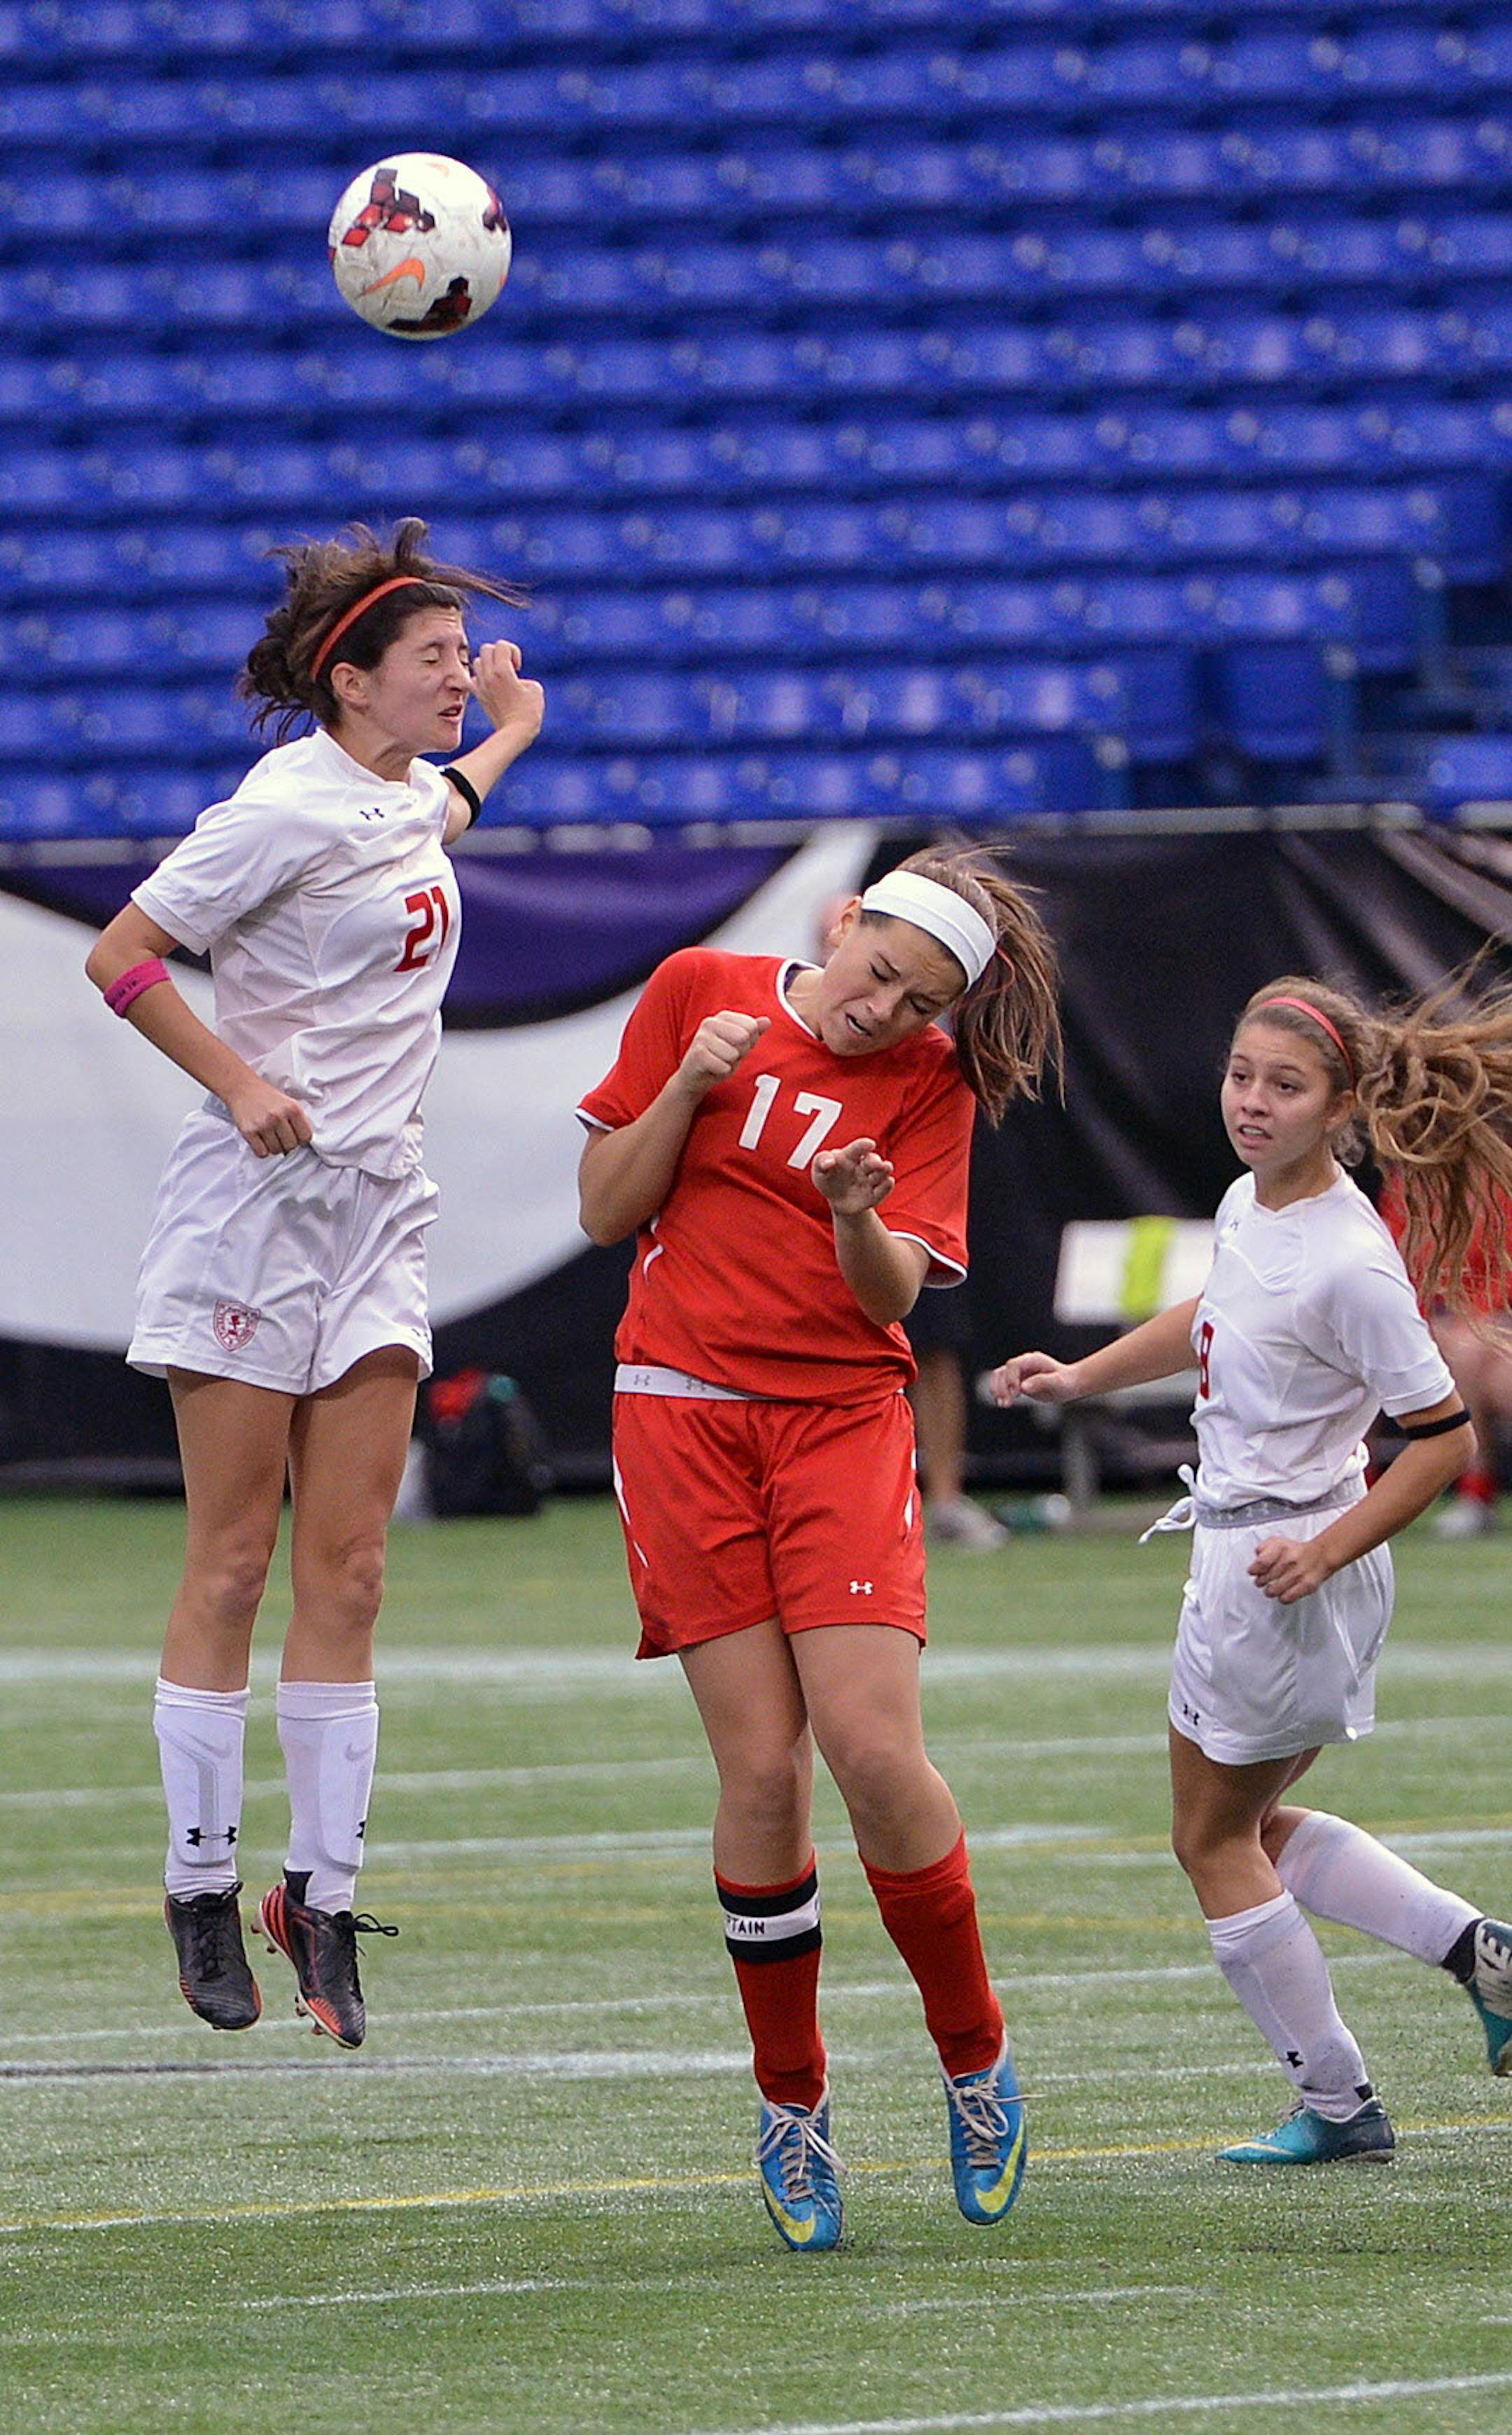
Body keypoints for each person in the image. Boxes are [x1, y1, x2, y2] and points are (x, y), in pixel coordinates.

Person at [85, 519, 544, 2048]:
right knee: (233, 1561)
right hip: (255, 1209)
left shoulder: (409, 792)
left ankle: (322, 1896)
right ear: (350, 683)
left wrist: (515, 728)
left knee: (350, 1572)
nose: (454, 682)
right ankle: (198, 1885)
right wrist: (234, 1082)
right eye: (431, 663)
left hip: (377, 1216)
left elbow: (434, 826)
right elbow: (126, 952)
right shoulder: (279, 807)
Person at [577, 847, 1060, 2248]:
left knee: (870, 1745)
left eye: (914, 1002)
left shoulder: (931, 1087)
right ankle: (793, 2102)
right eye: (874, 971)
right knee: (762, 1769)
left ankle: (974, 2055)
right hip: (680, 1414)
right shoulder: (698, 989)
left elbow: (890, 1293)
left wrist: (856, 1207)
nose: (877, 1010)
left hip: (840, 1418)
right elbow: (606, 1209)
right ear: (842, 925)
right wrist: (687, 1084)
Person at [991, 974, 1512, 2165]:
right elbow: (1214, 1314)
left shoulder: (1350, 1259)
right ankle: (1481, 1954)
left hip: (1284, 1560)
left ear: (1341, 1109)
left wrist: (1322, 1548)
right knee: (1251, 1824)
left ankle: (1337, 2101)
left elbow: (1446, 1440)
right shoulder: (1249, 1205)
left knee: (1211, 1838)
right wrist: (1083, 1376)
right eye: (1242, 1075)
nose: (1254, 1102)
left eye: (1287, 1085)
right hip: (1266, 1553)